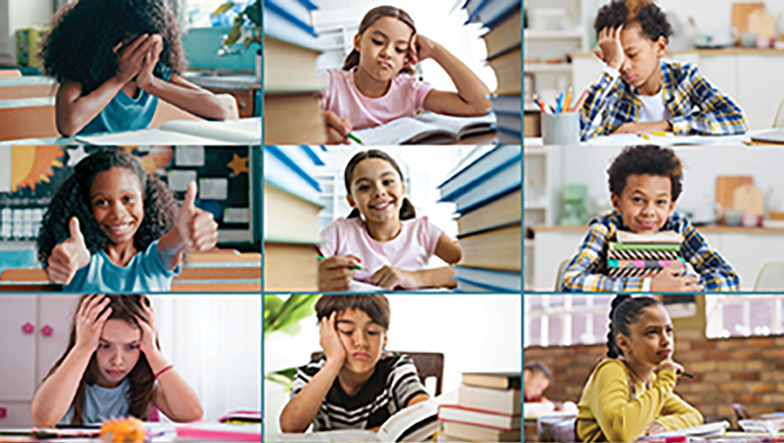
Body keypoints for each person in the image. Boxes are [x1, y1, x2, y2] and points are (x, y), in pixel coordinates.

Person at [560, 145, 739, 291]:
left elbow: (729, 279)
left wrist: (685, 288)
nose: (649, 212)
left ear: (670, 207)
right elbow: (571, 281)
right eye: (638, 200)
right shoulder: (606, 228)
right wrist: (648, 285)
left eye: (660, 202)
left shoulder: (678, 226)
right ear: (617, 202)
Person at [37, 148, 218, 292]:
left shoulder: (154, 263)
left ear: (145, 202)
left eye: (127, 199)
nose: (118, 214)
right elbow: (74, 256)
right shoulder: (83, 265)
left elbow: (170, 248)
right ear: (86, 209)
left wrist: (181, 234)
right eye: (102, 202)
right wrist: (66, 258)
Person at [40, 0, 230, 136]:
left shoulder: (155, 72)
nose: (143, 56)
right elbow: (68, 125)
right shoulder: (82, 73)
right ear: (110, 42)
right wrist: (118, 79)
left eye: (151, 47)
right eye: (136, 46)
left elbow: (218, 110)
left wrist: (150, 84)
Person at [319, 5, 491, 144]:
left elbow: (482, 105)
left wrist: (435, 50)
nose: (387, 53)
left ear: (407, 58)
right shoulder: (330, 82)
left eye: (399, 49)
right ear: (358, 42)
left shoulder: (410, 89)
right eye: (378, 42)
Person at [580, 0, 747, 140]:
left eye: (632, 54)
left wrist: (663, 126)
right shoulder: (613, 87)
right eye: (618, 58)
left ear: (660, 47)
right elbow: (577, 135)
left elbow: (736, 120)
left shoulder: (683, 76)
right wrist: (611, 69)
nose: (625, 67)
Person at [30, 295, 203, 426]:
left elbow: (192, 414)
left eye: (132, 346)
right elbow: (43, 419)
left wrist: (152, 351)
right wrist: (82, 347)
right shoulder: (69, 375)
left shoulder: (143, 383)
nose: (117, 361)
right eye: (104, 346)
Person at [280, 295, 429, 432]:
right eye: (347, 331)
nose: (361, 342)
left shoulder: (395, 367)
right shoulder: (313, 373)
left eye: (372, 332)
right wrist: (333, 362)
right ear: (326, 336)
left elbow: (422, 410)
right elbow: (290, 428)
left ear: (384, 338)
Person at [317, 150, 461, 291]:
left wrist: (415, 278)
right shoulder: (339, 232)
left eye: (388, 181)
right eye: (364, 187)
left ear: (403, 190)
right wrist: (318, 275)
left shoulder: (423, 231)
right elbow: (302, 268)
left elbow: (472, 268)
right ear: (351, 201)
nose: (379, 192)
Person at [575, 295, 703, 442]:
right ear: (624, 343)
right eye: (652, 332)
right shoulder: (610, 370)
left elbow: (694, 417)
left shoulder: (650, 380)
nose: (666, 341)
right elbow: (621, 433)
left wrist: (661, 425)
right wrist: (666, 380)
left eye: (668, 330)